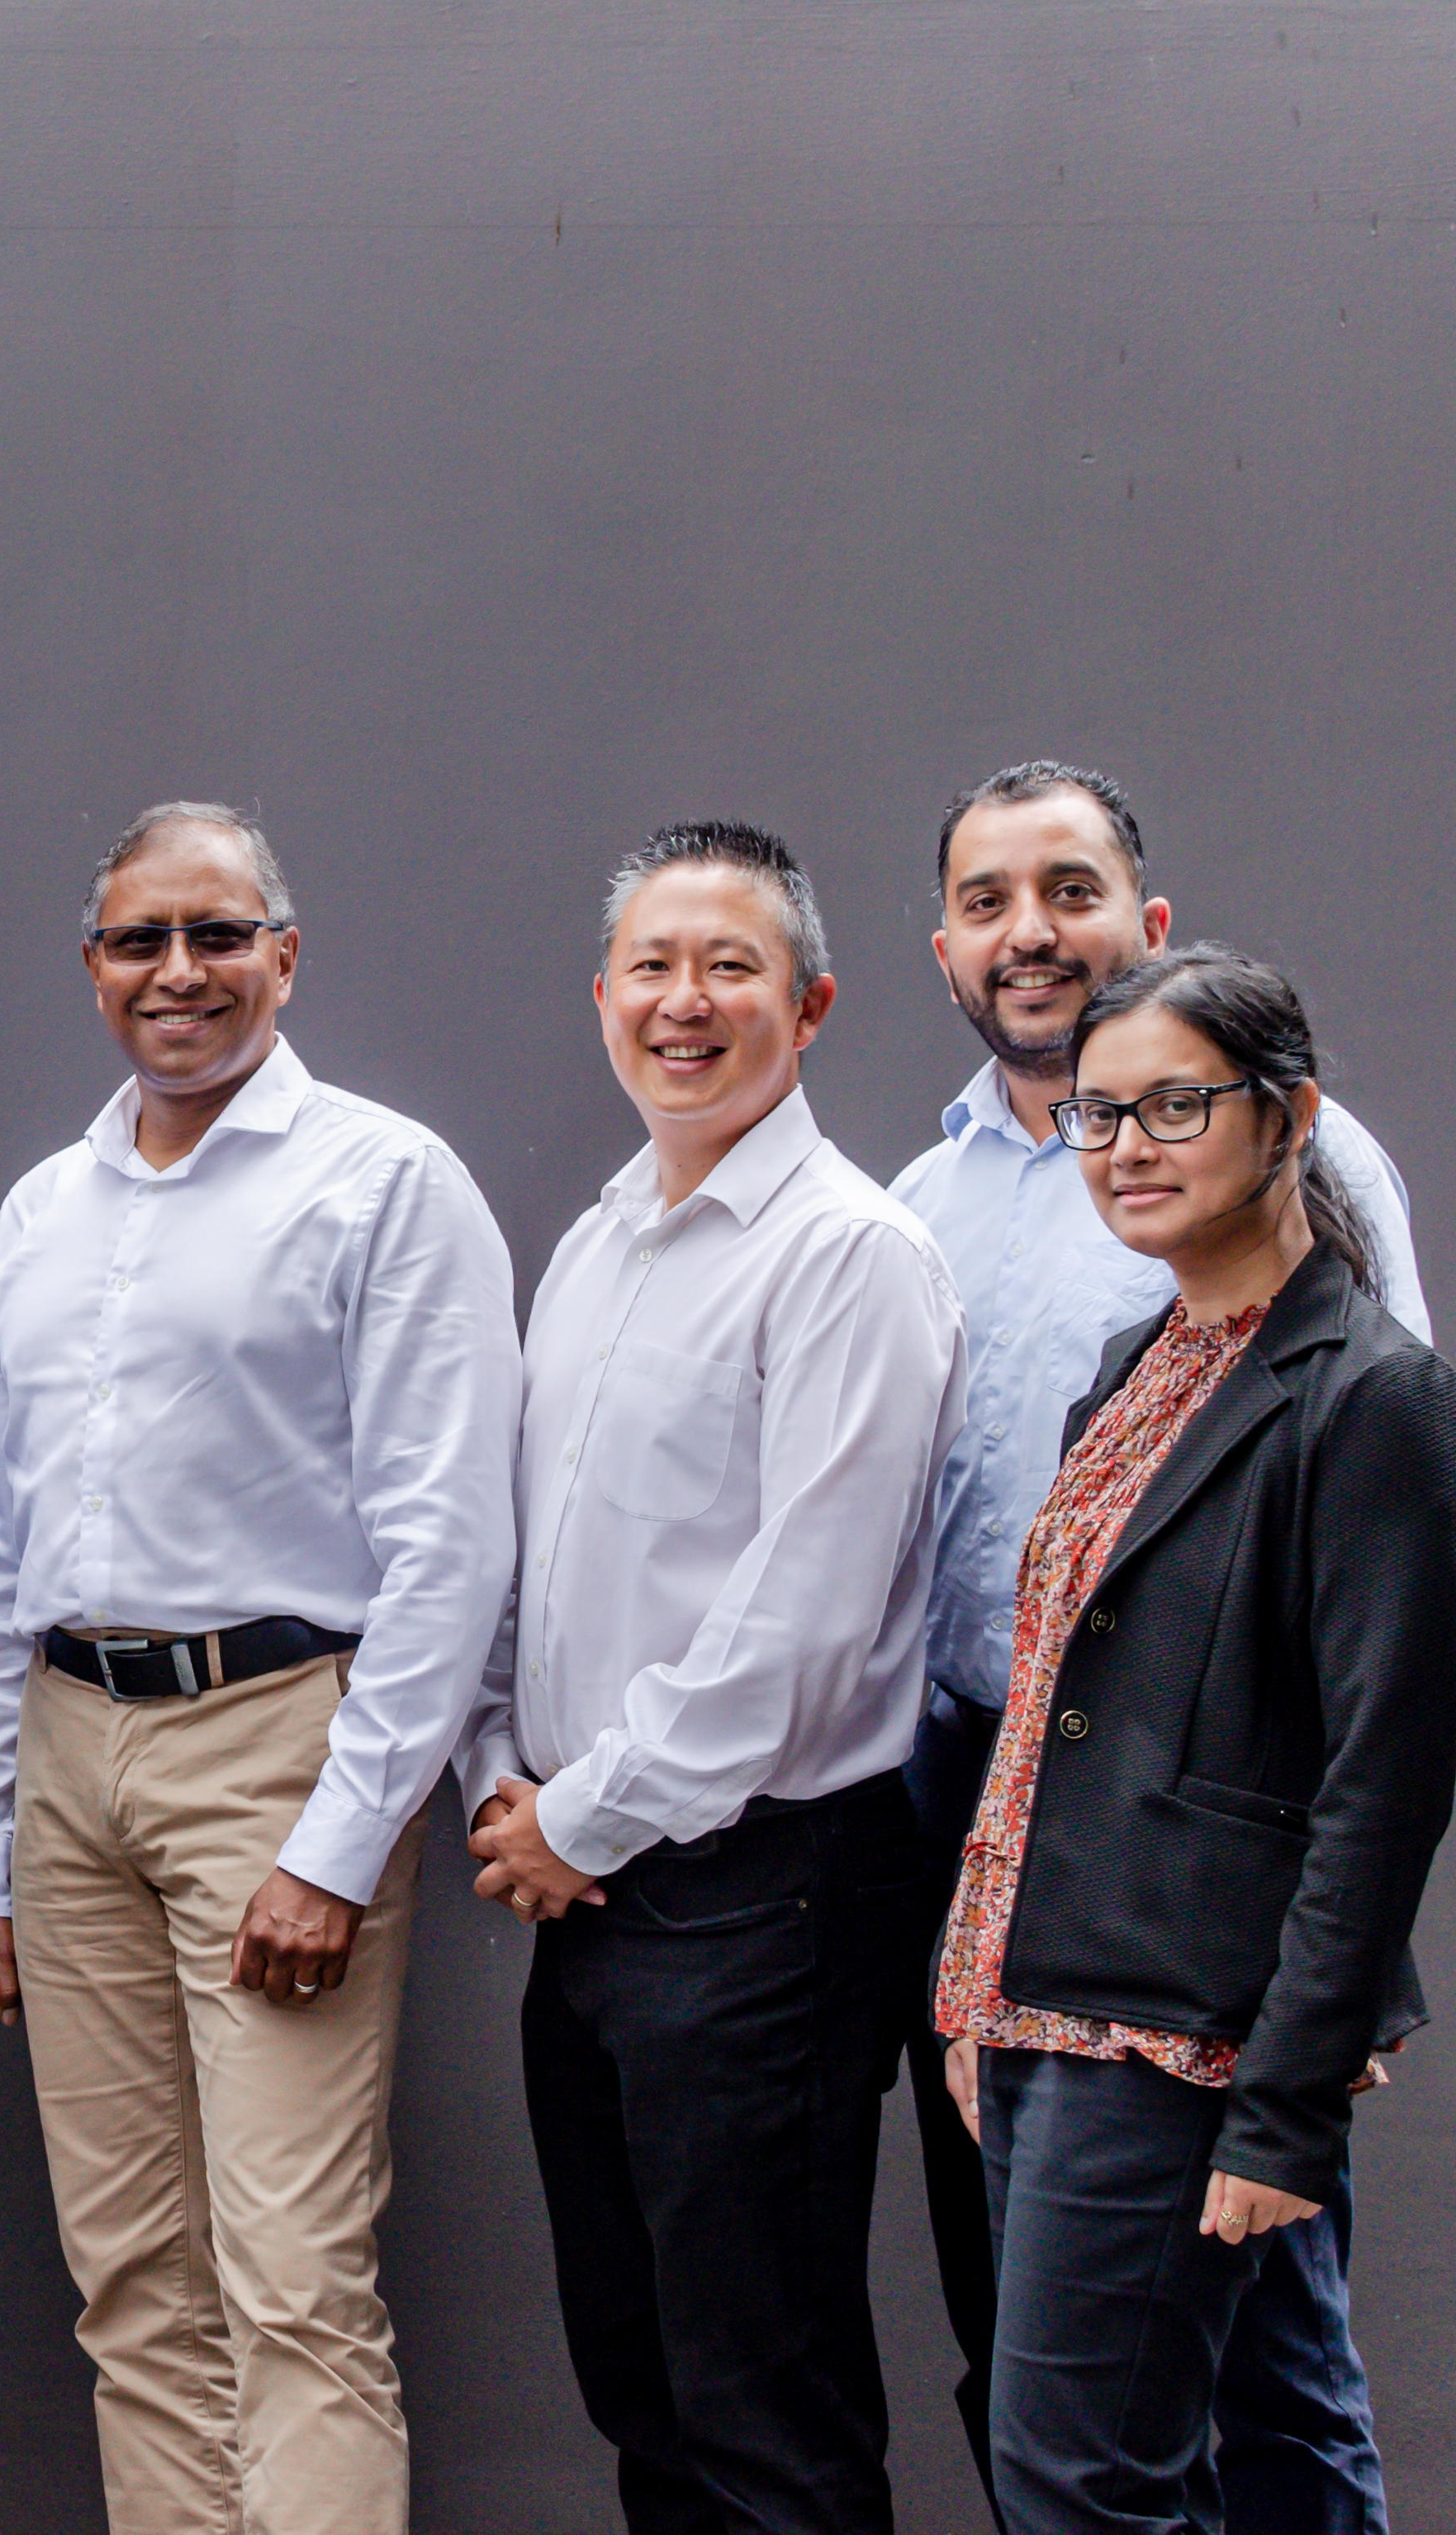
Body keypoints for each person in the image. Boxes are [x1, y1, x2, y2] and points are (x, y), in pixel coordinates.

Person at [0, 804, 519, 2533]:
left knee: (292, 2280)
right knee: (131, 2285)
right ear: (92, 964)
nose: (176, 971)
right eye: (137, 940)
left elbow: (448, 1543)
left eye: (215, 933)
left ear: (283, 951)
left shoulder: (383, 1180)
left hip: (277, 1752)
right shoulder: (47, 1204)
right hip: (65, 1753)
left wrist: (340, 1842)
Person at [889, 760, 1425, 2526]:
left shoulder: (1360, 1379)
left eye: (1172, 1108)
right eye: (1103, 1119)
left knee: (1127, 2457)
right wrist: (982, 1984)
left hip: (1195, 1973)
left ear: (1286, 1117)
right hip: (1041, 1926)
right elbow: (1039, 1676)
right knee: (1192, 2401)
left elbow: (1373, 1748)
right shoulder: (1120, 1346)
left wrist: (1293, 2072)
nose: (1124, 1147)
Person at [460, 824, 961, 2535]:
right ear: (602, 996)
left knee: (765, 2405)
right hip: (587, 1893)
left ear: (810, 1002)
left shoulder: (851, 1253)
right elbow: (537, 1561)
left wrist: (579, 1813)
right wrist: (500, 1777)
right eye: (653, 967)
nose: (686, 1001)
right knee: (641, 2379)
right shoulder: (598, 1240)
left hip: (758, 1903)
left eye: (729, 965)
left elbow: (802, 1616)